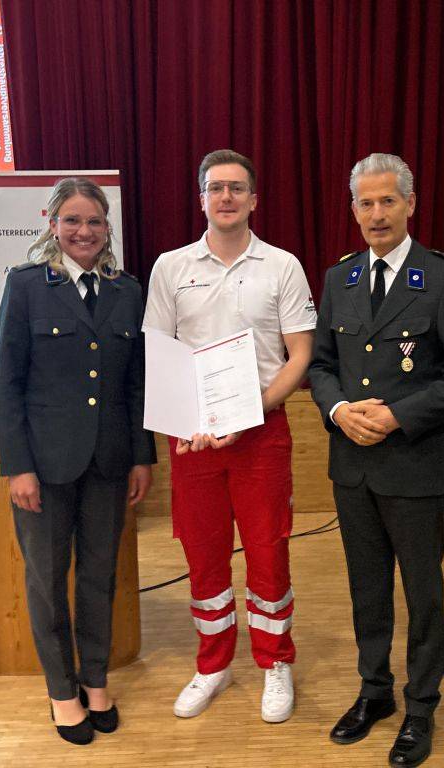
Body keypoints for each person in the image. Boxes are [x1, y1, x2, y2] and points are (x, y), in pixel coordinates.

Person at [309, 153, 444, 768]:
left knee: (423, 592)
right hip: (350, 464)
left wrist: (397, 415)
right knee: (366, 588)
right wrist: (337, 412)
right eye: (365, 203)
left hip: (411, 464)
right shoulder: (340, 279)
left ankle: (421, 705)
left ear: (410, 204)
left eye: (387, 201)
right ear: (352, 209)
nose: (376, 214)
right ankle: (374, 691)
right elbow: (322, 366)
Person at [143, 149, 315, 723]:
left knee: (269, 552)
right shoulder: (171, 267)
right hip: (192, 440)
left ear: (254, 199)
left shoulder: (283, 266)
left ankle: (274, 662)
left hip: (262, 436)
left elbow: (300, 357)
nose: (226, 197)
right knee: (204, 555)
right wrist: (185, 419)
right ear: (201, 198)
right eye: (216, 188)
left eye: (237, 188)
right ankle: (213, 665)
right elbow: (160, 356)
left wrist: (249, 412)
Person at [0, 177, 156, 745]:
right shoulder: (28, 286)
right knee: (45, 581)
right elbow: (7, 384)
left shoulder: (126, 291)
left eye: (94, 222)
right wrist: (17, 466)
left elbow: (136, 383)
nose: (83, 232)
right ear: (52, 224)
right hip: (43, 464)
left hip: (109, 461)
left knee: (98, 578)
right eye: (72, 221)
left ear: (108, 227)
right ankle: (62, 692)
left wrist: (141, 456)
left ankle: (95, 680)